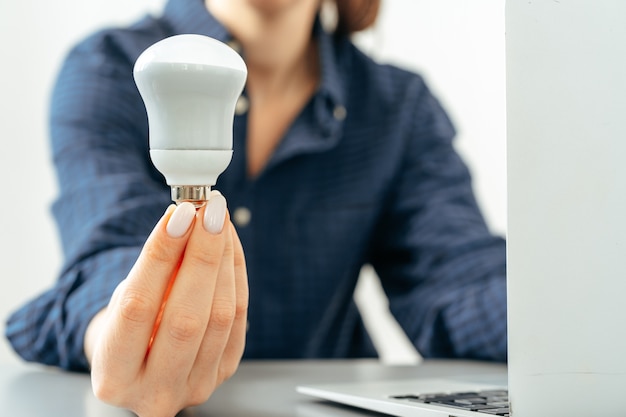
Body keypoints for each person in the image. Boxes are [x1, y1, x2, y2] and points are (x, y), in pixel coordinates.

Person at [6, 0, 507, 416]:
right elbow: (107, 250)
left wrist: (565, 316)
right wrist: (120, 329)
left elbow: (458, 282)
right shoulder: (110, 69)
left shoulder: (398, 107)